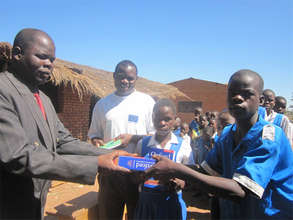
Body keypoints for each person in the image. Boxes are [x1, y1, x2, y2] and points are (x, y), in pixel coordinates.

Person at [0, 28, 132, 219]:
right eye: (42, 57)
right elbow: (17, 156)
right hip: (8, 203)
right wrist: (93, 164)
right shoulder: (4, 92)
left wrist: (109, 154)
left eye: (52, 60)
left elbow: (63, 141)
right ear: (18, 54)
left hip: (34, 200)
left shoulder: (42, 98)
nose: (49, 64)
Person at [145, 69, 293, 219]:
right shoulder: (228, 134)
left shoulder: (268, 137)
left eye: (246, 94)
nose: (237, 98)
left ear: (260, 100)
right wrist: (175, 173)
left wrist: (177, 169)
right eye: (232, 93)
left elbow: (240, 191)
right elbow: (207, 172)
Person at [88, 60, 155, 219]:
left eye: (130, 78)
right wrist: (96, 141)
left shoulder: (146, 102)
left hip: (137, 171)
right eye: (121, 76)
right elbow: (93, 134)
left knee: (136, 215)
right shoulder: (102, 104)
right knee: (108, 215)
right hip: (109, 171)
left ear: (136, 78)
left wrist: (132, 138)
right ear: (114, 76)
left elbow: (155, 137)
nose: (125, 81)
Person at [134, 98, 194, 220]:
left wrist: (182, 182)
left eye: (167, 119)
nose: (162, 123)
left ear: (175, 119)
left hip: (172, 203)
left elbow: (190, 174)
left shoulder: (183, 146)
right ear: (152, 118)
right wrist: (138, 176)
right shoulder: (142, 144)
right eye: (158, 119)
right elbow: (135, 172)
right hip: (147, 203)